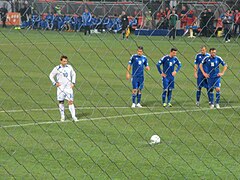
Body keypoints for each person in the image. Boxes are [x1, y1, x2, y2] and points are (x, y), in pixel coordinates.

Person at [49, 55, 78, 121]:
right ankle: (62, 117)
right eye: (64, 61)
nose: (65, 62)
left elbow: (74, 74)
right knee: (61, 102)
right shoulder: (57, 68)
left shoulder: (69, 67)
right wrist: (55, 83)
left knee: (70, 102)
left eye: (66, 61)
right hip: (60, 88)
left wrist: (73, 82)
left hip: (68, 88)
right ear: (61, 61)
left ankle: (74, 116)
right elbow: (51, 75)